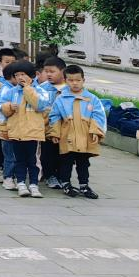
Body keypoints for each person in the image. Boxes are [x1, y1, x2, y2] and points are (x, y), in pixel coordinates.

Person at [48, 64, 105, 199]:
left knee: (83, 162)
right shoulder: (61, 98)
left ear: (83, 80)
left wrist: (95, 131)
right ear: (65, 81)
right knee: (66, 161)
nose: (75, 83)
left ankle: (84, 185)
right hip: (67, 135)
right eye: (71, 80)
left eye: (78, 80)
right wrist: (55, 133)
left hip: (85, 136)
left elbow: (98, 115)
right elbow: (54, 116)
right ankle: (66, 184)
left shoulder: (92, 99)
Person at [0, 60, 51, 198]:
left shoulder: (40, 90)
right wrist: (9, 107)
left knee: (32, 160)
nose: (20, 77)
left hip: (33, 133)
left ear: (31, 75)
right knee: (19, 160)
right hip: (16, 132)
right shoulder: (11, 91)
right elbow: (1, 107)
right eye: (17, 75)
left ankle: (33, 184)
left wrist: (27, 89)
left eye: (23, 74)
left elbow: (40, 105)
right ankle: (21, 182)